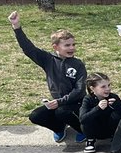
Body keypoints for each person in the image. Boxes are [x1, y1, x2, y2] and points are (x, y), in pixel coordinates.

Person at [9, 10, 86, 145]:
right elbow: (28, 49)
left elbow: (79, 90)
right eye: (67, 45)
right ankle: (59, 128)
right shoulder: (48, 59)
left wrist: (60, 101)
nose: (72, 48)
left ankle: (83, 130)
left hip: (76, 103)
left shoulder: (78, 64)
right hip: (58, 103)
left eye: (73, 44)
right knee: (35, 116)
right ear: (55, 46)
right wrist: (17, 27)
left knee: (62, 112)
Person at [78, 73, 121, 153]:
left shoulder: (113, 97)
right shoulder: (88, 99)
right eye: (103, 87)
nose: (108, 89)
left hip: (111, 130)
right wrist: (98, 108)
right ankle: (90, 141)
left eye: (109, 85)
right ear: (92, 89)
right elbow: (82, 119)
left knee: (116, 115)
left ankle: (117, 138)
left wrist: (117, 106)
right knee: (87, 119)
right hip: (95, 131)